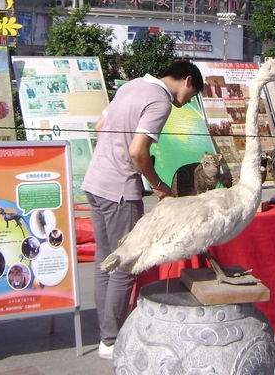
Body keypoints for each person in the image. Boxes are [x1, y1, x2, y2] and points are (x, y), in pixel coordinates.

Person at [82, 60, 204, 360]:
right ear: (187, 81)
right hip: (119, 191)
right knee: (125, 263)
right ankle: (112, 340)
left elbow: (100, 127)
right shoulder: (160, 101)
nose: (188, 101)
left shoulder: (132, 85)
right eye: (192, 95)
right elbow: (138, 151)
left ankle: (106, 333)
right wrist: (158, 184)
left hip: (95, 182)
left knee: (105, 260)